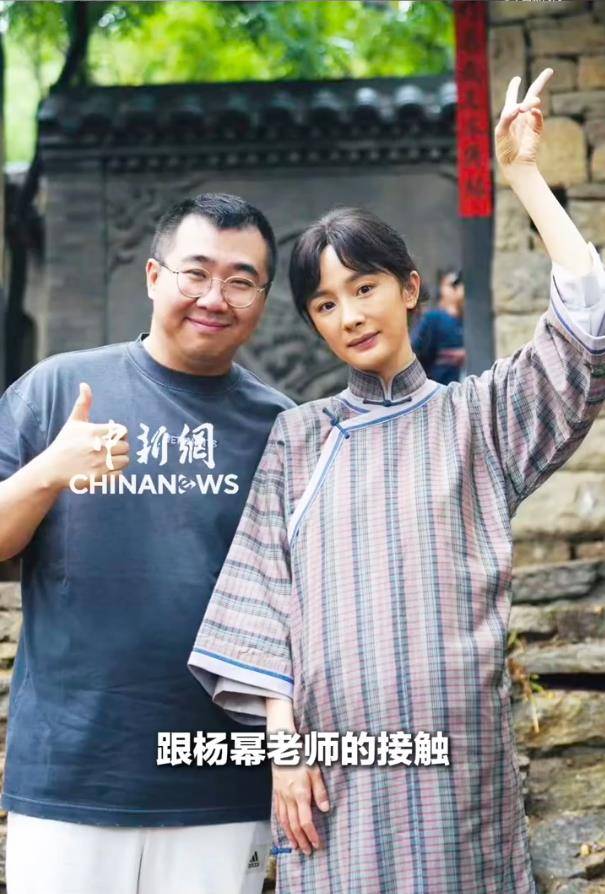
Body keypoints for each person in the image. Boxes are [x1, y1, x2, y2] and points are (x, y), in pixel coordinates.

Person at [188, 69, 605, 893]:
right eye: (324, 304)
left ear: (409, 290)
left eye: (365, 288)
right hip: (332, 778)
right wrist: (283, 752)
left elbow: (588, 325)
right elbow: (262, 602)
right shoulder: (299, 439)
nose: (349, 315)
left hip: (458, 767)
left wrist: (523, 175)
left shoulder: (478, 419)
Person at [0, 193, 294, 894]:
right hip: (72, 774)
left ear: (261, 300)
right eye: (196, 272)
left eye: (241, 280)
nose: (214, 297)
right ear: (155, 276)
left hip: (220, 783)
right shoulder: (58, 390)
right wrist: (49, 472)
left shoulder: (281, 428)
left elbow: (298, 605)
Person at [411, 267, 466, 384]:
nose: (459, 289)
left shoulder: (466, 322)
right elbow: (418, 354)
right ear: (442, 288)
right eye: (453, 285)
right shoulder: (434, 318)